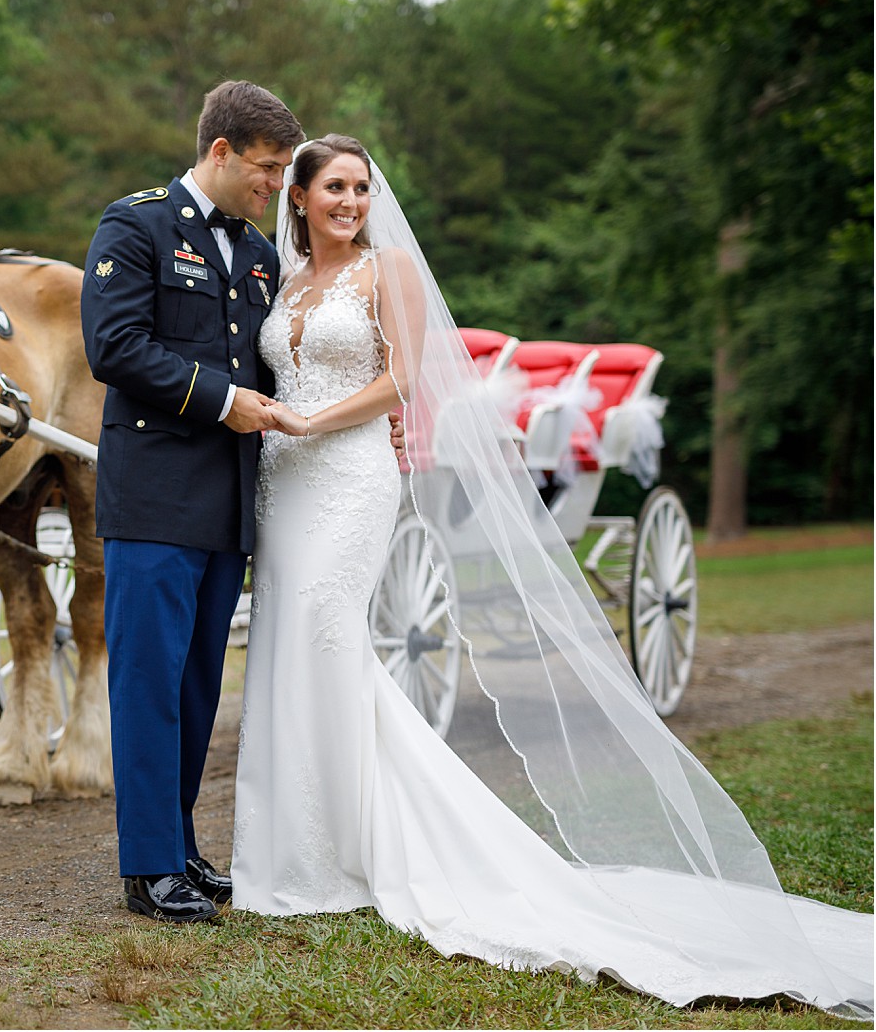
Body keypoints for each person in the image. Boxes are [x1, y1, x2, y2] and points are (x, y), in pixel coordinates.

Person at [229, 133, 873, 1017]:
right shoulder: (282, 281)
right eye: (333, 187)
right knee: (282, 643)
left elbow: (403, 383)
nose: (349, 201)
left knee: (327, 634)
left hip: (347, 477)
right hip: (282, 483)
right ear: (297, 196)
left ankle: (352, 851)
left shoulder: (388, 274)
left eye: (361, 188)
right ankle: (290, 849)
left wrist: (306, 422)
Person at [78, 81, 302, 924]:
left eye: (282, 171)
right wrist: (221, 400)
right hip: (154, 496)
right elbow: (115, 347)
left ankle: (180, 849)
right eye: (267, 168)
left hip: (227, 503)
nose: (275, 185)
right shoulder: (133, 225)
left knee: (197, 685)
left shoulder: (256, 255)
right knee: (147, 682)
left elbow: (270, 368)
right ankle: (146, 868)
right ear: (220, 152)